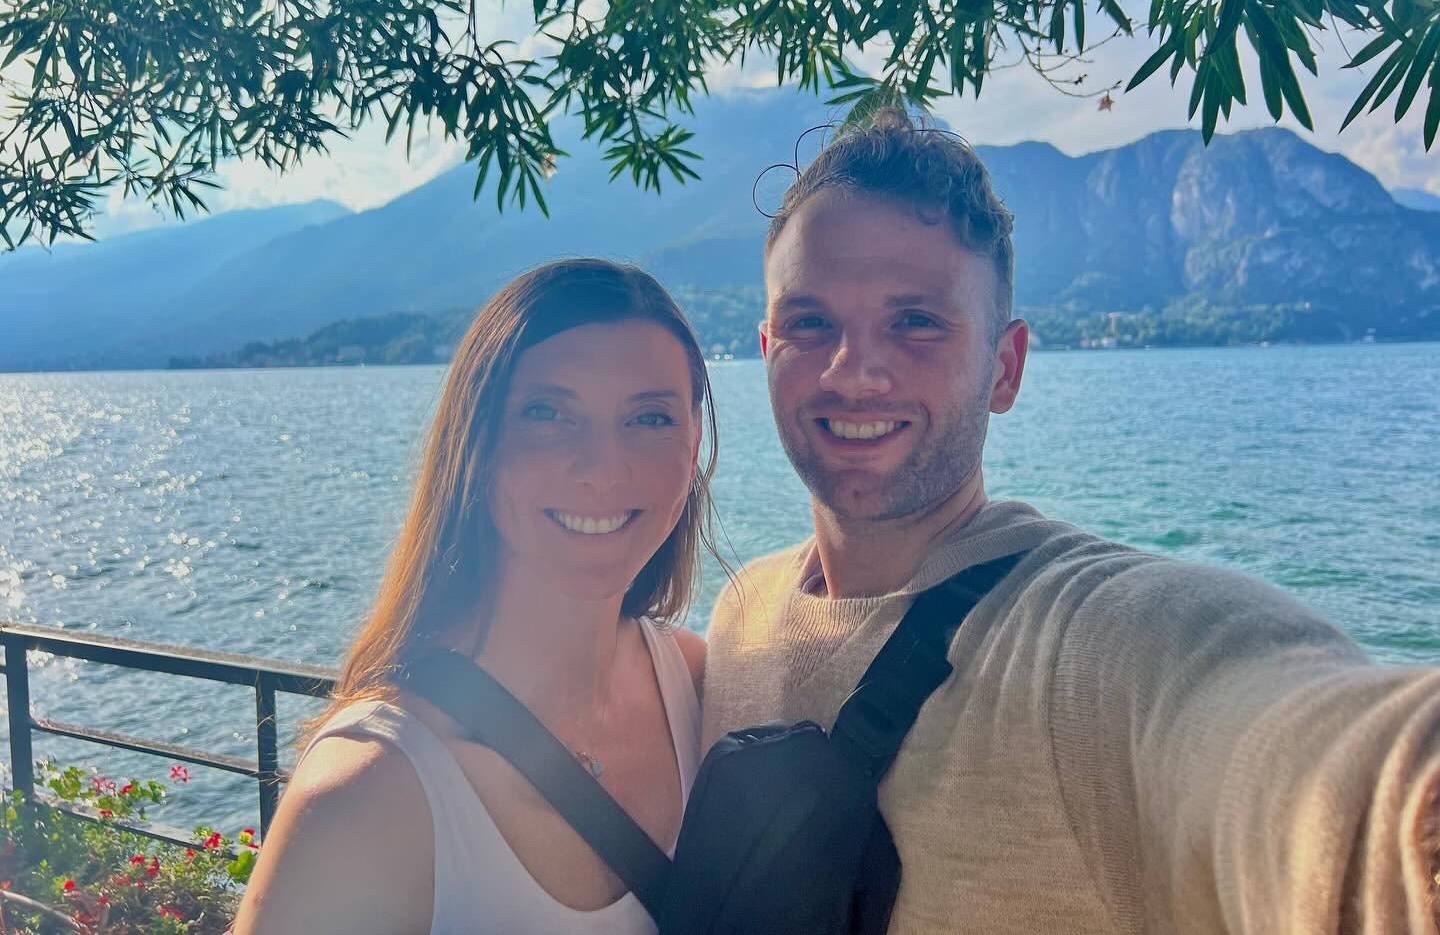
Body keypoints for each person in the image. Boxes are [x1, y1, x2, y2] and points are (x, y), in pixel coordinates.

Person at [703, 108, 1440, 934]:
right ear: (767, 347)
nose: (856, 370)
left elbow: (1293, 746)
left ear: (1004, 368)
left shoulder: (1082, 643)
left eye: (915, 321)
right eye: (811, 323)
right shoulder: (743, 612)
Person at [235, 259, 715, 934]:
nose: (603, 466)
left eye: (649, 418)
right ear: (476, 445)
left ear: (693, 445)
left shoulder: (700, 690)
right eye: (547, 412)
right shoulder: (369, 797)